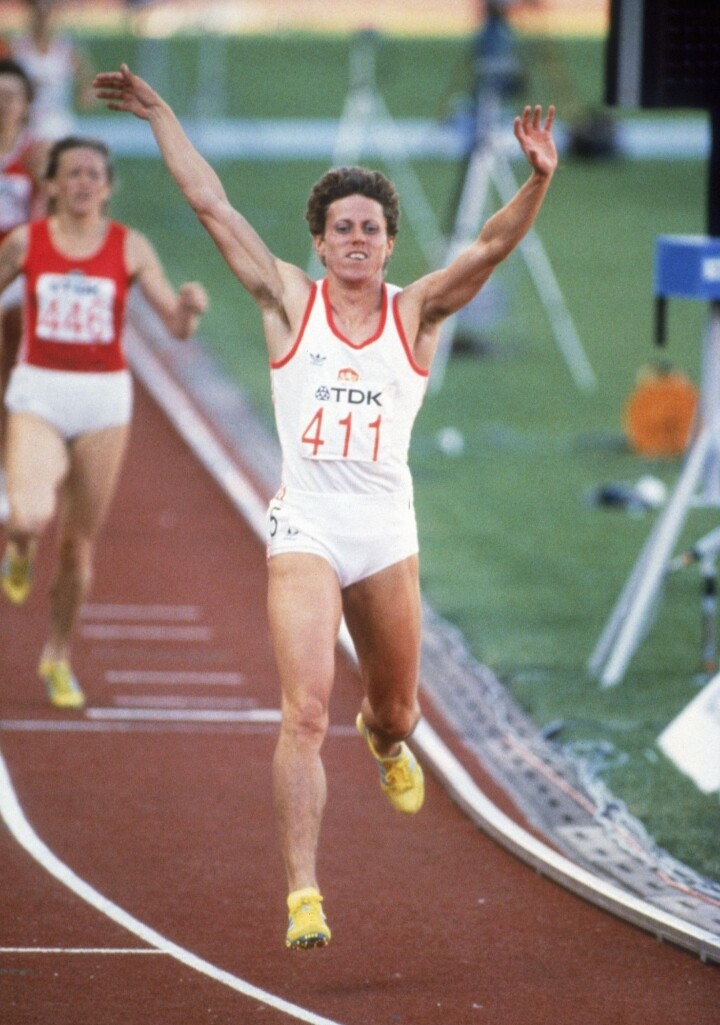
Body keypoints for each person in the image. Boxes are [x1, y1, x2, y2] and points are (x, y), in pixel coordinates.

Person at [93, 63, 557, 950]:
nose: (355, 238)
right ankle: (303, 892)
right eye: (341, 226)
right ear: (318, 239)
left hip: (384, 532)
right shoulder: (287, 301)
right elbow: (211, 205)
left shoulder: (416, 313)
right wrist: (158, 114)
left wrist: (537, 179)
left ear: (388, 244)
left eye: (370, 228)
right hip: (305, 525)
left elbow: (491, 247)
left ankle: (384, 742)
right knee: (302, 712)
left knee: (397, 711)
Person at [0, 135, 207, 710]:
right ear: (51, 185)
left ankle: (57, 655)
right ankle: (19, 547)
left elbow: (175, 326)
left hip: (103, 403)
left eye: (94, 173)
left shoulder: (130, 246)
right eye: (72, 173)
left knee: (77, 547)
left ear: (109, 187)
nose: (83, 182)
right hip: (39, 391)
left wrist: (187, 309)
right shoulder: (26, 242)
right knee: (28, 513)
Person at [0, 57, 47, 522]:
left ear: (27, 105)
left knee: (15, 377)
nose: (3, 105)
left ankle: (13, 465)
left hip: (19, 278)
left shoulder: (36, 154)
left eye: (12, 97)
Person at [11, 0, 97, 143]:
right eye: (39, 13)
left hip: (58, 122)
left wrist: (86, 93)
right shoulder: (18, 48)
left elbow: (88, 82)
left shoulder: (66, 48)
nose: (43, 19)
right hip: (26, 124)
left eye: (47, 13)